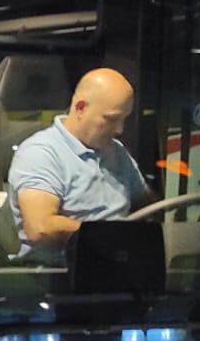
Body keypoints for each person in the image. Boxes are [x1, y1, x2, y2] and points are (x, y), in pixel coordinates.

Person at [8, 67, 150, 258]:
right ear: (81, 108)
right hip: (59, 277)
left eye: (124, 119)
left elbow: (146, 205)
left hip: (117, 267)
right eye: (112, 119)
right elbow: (41, 228)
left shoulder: (117, 152)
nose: (120, 129)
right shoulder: (41, 153)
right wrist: (112, 237)